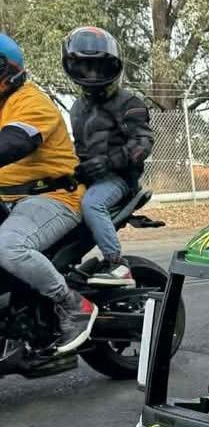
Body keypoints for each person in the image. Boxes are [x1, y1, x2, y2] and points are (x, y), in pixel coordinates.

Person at [0, 33, 97, 353]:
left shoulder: (31, 101)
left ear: (7, 70)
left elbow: (14, 141)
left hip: (53, 197)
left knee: (8, 247)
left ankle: (73, 305)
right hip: (9, 199)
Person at [62, 26, 153, 287]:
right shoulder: (77, 107)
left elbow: (143, 142)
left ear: (112, 67)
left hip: (119, 180)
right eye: (85, 67)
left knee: (92, 204)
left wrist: (110, 161)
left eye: (98, 67)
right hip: (89, 179)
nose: (91, 74)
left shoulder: (129, 103)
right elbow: (79, 147)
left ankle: (116, 263)